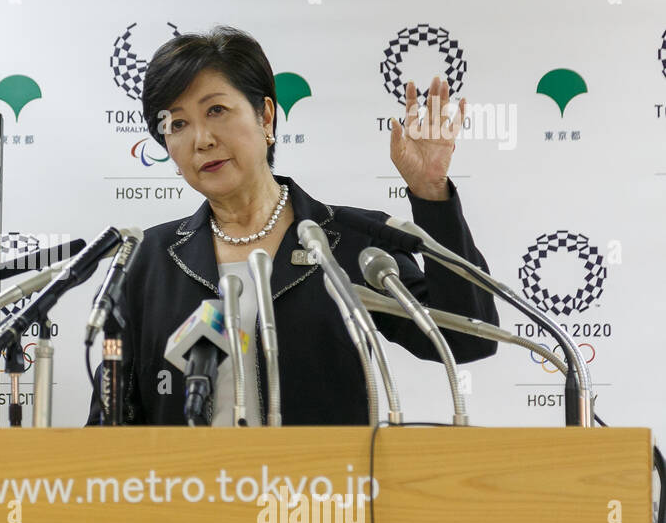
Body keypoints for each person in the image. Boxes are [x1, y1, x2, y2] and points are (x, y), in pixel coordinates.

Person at [88, 26, 498, 426]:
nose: (201, 139)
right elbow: (110, 422)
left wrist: (431, 193)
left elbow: (467, 337)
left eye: (216, 110)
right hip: (186, 490)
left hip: (321, 491)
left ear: (265, 117)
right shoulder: (146, 262)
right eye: (177, 124)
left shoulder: (346, 241)